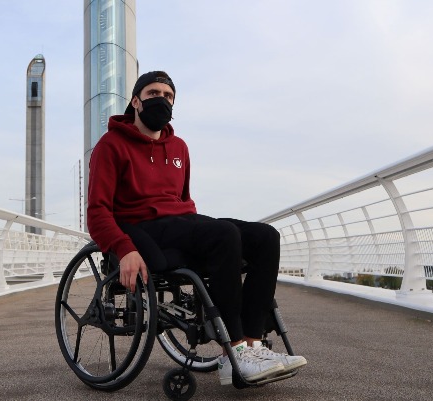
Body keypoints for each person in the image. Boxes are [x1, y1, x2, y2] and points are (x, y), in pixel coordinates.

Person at [86, 71, 307, 385]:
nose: (161, 100)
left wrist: (200, 230)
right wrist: (124, 249)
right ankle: (234, 352)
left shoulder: (179, 147)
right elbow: (97, 212)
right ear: (136, 101)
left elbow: (183, 200)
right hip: (142, 224)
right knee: (224, 235)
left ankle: (252, 345)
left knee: (265, 237)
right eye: (153, 94)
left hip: (181, 221)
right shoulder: (110, 145)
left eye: (168, 96)